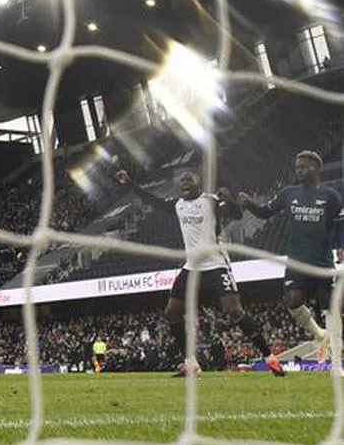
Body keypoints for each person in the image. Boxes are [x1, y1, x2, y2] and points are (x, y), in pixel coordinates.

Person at [115, 168, 283, 377]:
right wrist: (130, 183)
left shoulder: (211, 201)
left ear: (199, 182)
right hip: (192, 267)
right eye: (181, 181)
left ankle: (269, 358)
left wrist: (229, 200)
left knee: (234, 311)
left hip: (215, 264)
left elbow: (237, 214)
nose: (184, 184)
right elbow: (152, 200)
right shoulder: (178, 205)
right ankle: (191, 363)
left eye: (188, 180)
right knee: (171, 313)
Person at [239, 150, 344, 363]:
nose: (298, 171)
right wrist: (250, 205)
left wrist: (341, 247)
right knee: (292, 300)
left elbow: (340, 224)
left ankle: (337, 353)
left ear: (315, 168)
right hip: (296, 259)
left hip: (321, 261)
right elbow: (265, 212)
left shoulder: (330, 196)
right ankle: (319, 334)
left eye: (303, 167)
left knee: (329, 306)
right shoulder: (289, 193)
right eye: (297, 168)